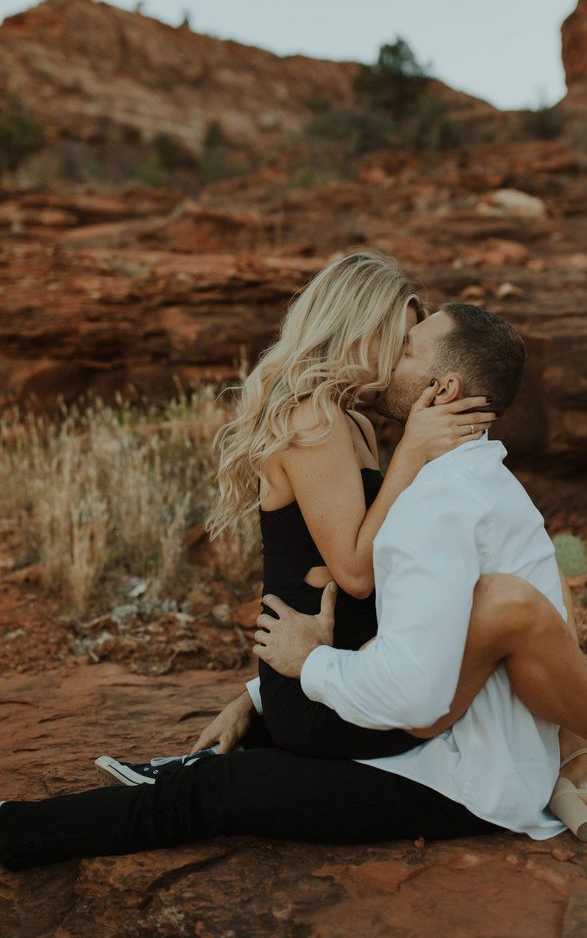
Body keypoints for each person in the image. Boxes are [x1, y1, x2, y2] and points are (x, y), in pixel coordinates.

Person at [3, 291, 587, 869]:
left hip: (419, 748)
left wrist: (298, 667)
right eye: (394, 337)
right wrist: (266, 690)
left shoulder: (410, 480)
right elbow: (369, 593)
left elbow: (395, 652)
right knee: (214, 784)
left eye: (407, 348)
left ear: (439, 387)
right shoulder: (440, 469)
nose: (391, 360)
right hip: (407, 722)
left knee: (208, 794)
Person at [96, 253, 498, 789]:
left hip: (340, 660)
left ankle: (211, 763)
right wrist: (412, 453)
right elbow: (356, 572)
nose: (407, 363)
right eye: (399, 344)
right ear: (355, 329)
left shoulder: (355, 423)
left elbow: (367, 546)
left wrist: (251, 698)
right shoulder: (314, 419)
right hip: (315, 691)